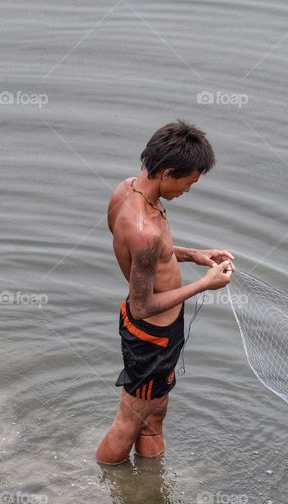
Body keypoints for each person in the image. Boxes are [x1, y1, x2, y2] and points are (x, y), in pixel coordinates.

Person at [95, 121, 234, 465]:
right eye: (188, 183)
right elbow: (142, 305)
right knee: (127, 424)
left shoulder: (125, 190)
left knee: (153, 416)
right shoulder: (145, 231)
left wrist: (194, 255)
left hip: (156, 333)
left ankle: (150, 485)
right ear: (168, 172)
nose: (188, 190)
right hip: (152, 337)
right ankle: (102, 484)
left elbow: (152, 256)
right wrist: (204, 284)